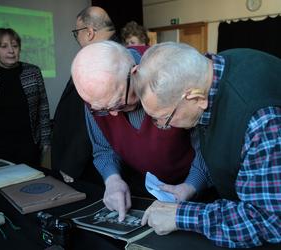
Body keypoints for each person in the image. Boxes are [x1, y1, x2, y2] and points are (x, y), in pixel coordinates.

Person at [132, 42, 281, 248]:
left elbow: (269, 221)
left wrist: (182, 216)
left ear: (195, 97)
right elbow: (232, 153)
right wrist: (190, 187)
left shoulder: (260, 120)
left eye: (164, 119)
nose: (161, 127)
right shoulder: (210, 70)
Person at [71, 40, 211, 222]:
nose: (112, 114)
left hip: (195, 187)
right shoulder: (97, 96)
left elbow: (208, 147)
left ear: (134, 73)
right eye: (102, 109)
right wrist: (112, 180)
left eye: (118, 103)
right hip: (145, 187)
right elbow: (103, 149)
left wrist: (191, 185)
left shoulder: (166, 72)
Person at [51, 6, 119, 184]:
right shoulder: (109, 52)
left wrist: (71, 163)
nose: (77, 38)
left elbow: (93, 115)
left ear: (89, 32)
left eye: (77, 32)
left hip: (89, 163)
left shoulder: (104, 59)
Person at [0, 28, 51, 167]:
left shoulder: (33, 72)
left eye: (15, 45)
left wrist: (46, 141)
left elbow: (43, 108)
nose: (11, 51)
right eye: (4, 46)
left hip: (28, 148)